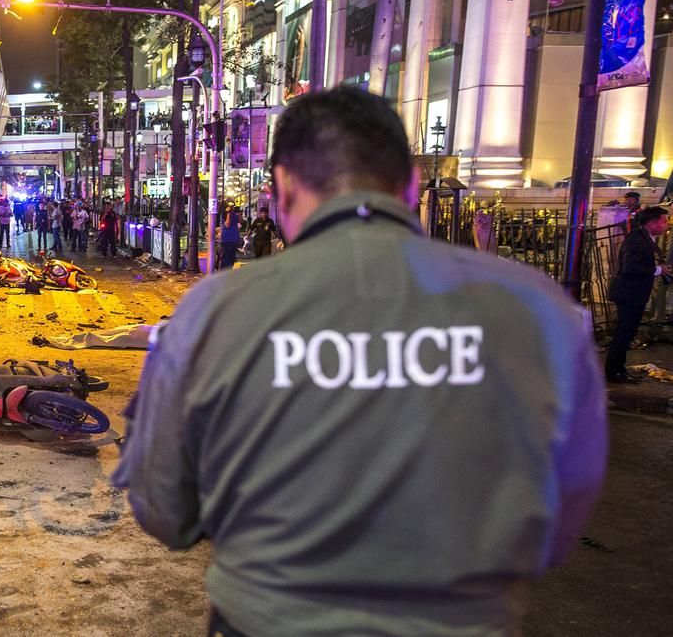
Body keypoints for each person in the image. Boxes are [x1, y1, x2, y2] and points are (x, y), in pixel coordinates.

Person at [113, 86, 607, 637]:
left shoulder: (217, 309)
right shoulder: (537, 307)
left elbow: (164, 510)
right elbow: (564, 512)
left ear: (282, 188)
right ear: (412, 186)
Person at [605, 205, 670, 383]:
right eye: (664, 222)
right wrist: (658, 270)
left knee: (627, 332)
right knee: (624, 333)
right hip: (629, 294)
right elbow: (630, 268)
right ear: (652, 223)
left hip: (634, 294)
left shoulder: (645, 238)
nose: (666, 226)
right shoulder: (636, 240)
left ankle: (618, 368)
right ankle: (613, 371)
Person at [219, 205, 242, 270]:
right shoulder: (224, 216)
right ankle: (224, 272)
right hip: (227, 239)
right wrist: (228, 214)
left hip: (233, 239)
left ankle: (228, 272)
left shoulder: (234, 215)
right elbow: (227, 224)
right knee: (226, 258)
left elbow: (241, 222)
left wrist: (239, 214)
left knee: (231, 258)